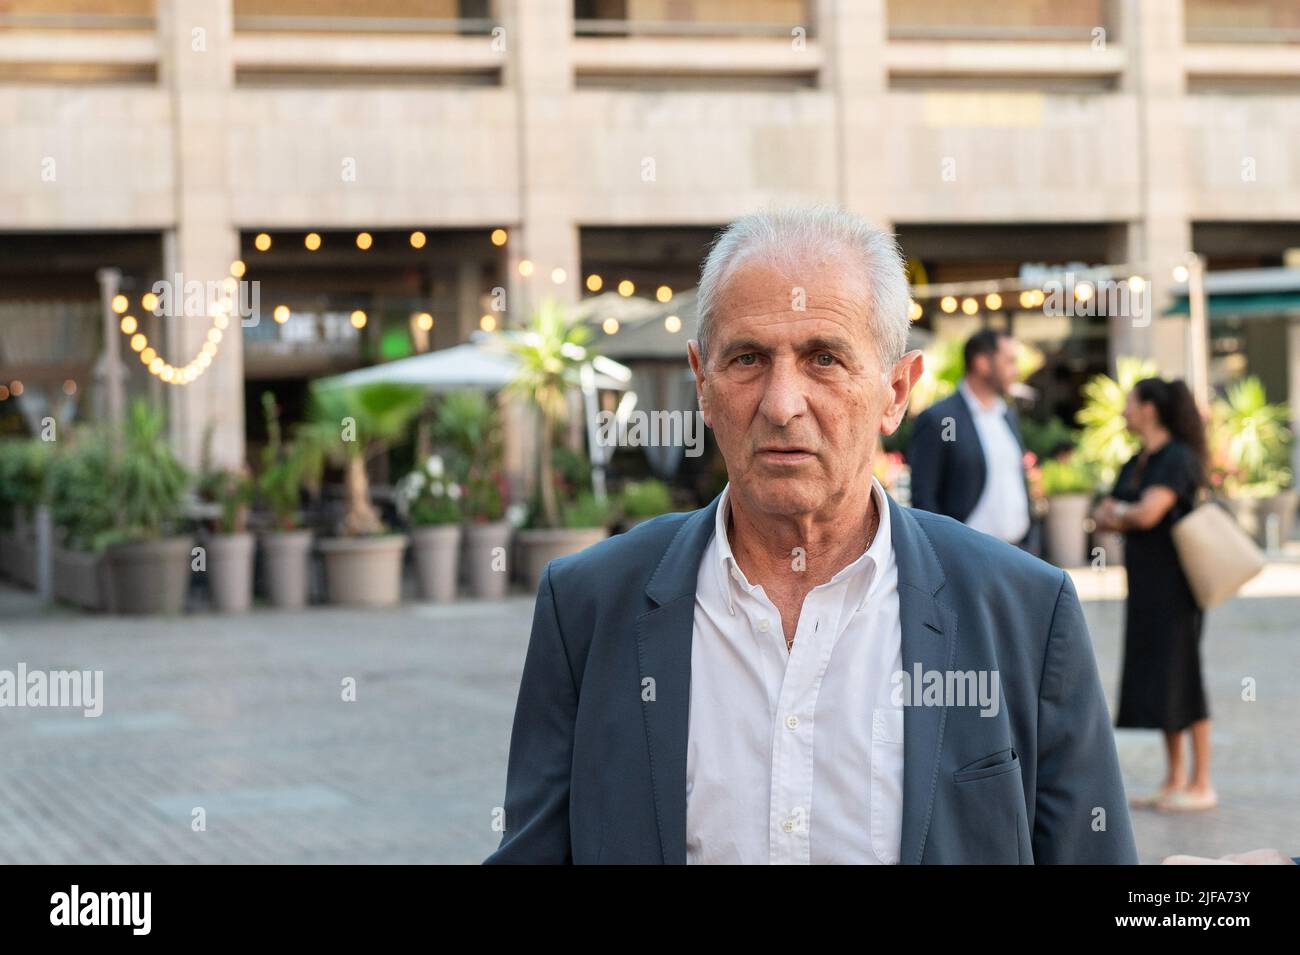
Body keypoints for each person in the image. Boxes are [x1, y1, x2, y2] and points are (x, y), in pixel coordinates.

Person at [485, 206, 1136, 864]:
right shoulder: (589, 607)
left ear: (896, 390)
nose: (781, 402)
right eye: (747, 359)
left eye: (824, 358)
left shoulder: (1025, 611)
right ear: (703, 385)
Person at [1092, 377, 1214, 812]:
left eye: (1130, 402)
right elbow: (1105, 513)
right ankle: (1174, 776)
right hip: (1146, 585)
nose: (1124, 410)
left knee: (1184, 675)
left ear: (1149, 409)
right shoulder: (1137, 461)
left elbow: (1147, 513)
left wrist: (1122, 513)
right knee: (1163, 677)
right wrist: (1124, 513)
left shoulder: (1176, 459)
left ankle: (1202, 783)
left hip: (1177, 586)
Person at [907, 329, 1033, 549]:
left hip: (1019, 554)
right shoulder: (939, 418)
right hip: (967, 558)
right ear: (982, 362)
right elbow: (924, 500)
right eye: (1010, 362)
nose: (1016, 371)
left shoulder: (1007, 415)